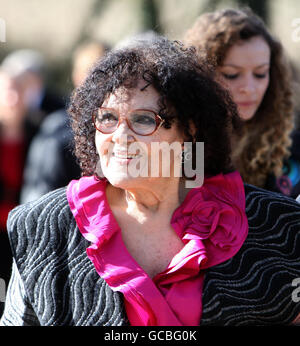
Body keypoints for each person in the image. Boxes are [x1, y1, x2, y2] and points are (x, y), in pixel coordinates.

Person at [1, 36, 300, 326]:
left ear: (189, 132)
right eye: (107, 118)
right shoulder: (43, 227)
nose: (120, 137)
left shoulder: (276, 224)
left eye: (144, 120)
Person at [183, 8, 300, 197]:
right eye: (232, 74)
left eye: (260, 73)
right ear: (201, 76)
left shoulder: (290, 149)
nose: (249, 88)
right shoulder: (179, 145)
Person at [0, 49, 64, 316]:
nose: (13, 97)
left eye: (19, 89)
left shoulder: (41, 131)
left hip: (19, 235)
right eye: (7, 89)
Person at [19, 41, 109, 204]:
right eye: (90, 72)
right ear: (77, 76)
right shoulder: (57, 130)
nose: (97, 82)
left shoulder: (122, 129)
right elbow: (39, 197)